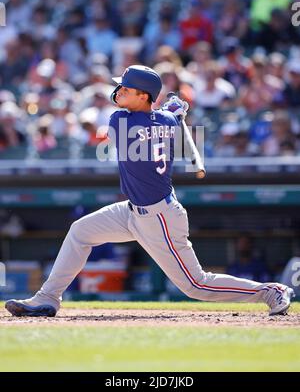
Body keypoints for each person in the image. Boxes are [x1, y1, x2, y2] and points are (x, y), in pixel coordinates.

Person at [5, 65, 294, 318]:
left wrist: (171, 111)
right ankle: (48, 297)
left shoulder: (121, 121)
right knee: (80, 232)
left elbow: (137, 115)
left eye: (126, 88)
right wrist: (175, 112)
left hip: (160, 218)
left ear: (143, 96)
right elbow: (159, 118)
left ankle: (271, 290)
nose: (119, 91)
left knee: (196, 285)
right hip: (134, 210)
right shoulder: (168, 123)